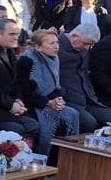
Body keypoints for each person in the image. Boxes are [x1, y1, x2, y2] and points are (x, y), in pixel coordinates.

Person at [18, 29, 81, 160]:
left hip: (48, 101)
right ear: (38, 47)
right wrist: (47, 102)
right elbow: (25, 92)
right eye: (51, 43)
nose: (56, 46)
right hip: (30, 104)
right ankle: (43, 159)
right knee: (51, 124)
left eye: (57, 42)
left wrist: (58, 99)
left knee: (72, 114)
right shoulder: (27, 60)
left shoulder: (54, 58)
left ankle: (66, 158)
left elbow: (55, 85)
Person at [58, 24, 111, 132]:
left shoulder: (82, 48)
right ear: (74, 36)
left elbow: (85, 74)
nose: (87, 48)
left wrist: (91, 94)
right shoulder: (56, 48)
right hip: (66, 99)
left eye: (90, 45)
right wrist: (64, 94)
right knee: (88, 122)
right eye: (86, 43)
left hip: (86, 98)